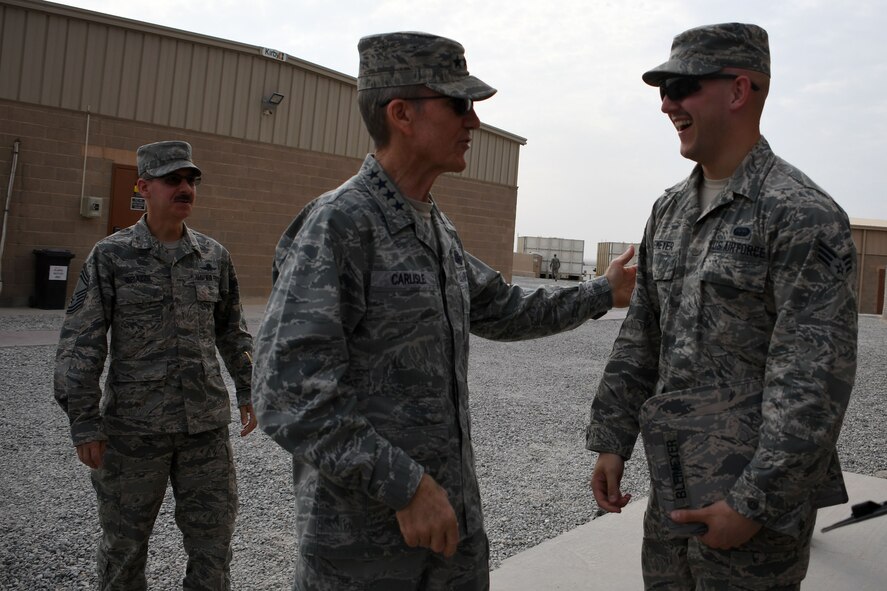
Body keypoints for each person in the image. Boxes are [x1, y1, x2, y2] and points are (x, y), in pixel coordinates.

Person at [251, 31, 637, 590]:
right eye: (459, 104)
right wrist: (404, 484)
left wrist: (603, 291)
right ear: (402, 113)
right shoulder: (341, 225)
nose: (474, 121)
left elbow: (506, 310)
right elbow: (287, 389)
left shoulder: (434, 230)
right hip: (362, 550)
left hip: (448, 540)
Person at [585, 23, 858, 590]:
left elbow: (813, 381)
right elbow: (642, 335)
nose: (667, 103)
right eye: (663, 90)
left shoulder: (799, 214)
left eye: (682, 86)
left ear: (738, 91)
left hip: (754, 515)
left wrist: (754, 503)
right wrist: (613, 439)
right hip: (675, 493)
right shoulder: (669, 212)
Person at [54, 140, 257, 590]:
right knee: (123, 551)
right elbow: (81, 342)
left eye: (191, 180)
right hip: (133, 432)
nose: (185, 188)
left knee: (213, 547)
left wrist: (249, 389)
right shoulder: (111, 255)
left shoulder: (213, 257)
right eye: (173, 180)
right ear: (143, 186)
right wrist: (84, 422)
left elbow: (233, 332)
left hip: (204, 431)